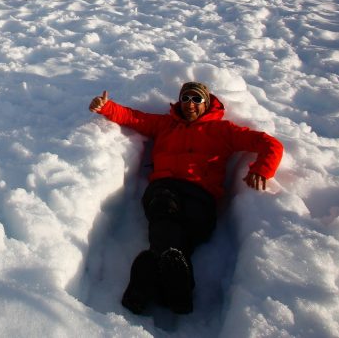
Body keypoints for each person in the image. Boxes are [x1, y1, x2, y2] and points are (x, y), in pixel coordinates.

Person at [89, 81, 283, 315]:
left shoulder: (223, 131)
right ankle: (179, 292)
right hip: (164, 187)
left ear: (207, 103)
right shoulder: (165, 125)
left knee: (182, 230)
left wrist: (262, 169)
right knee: (164, 211)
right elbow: (134, 118)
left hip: (200, 196)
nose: (190, 104)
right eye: (186, 98)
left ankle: (149, 279)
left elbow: (269, 143)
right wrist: (106, 107)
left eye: (196, 99)